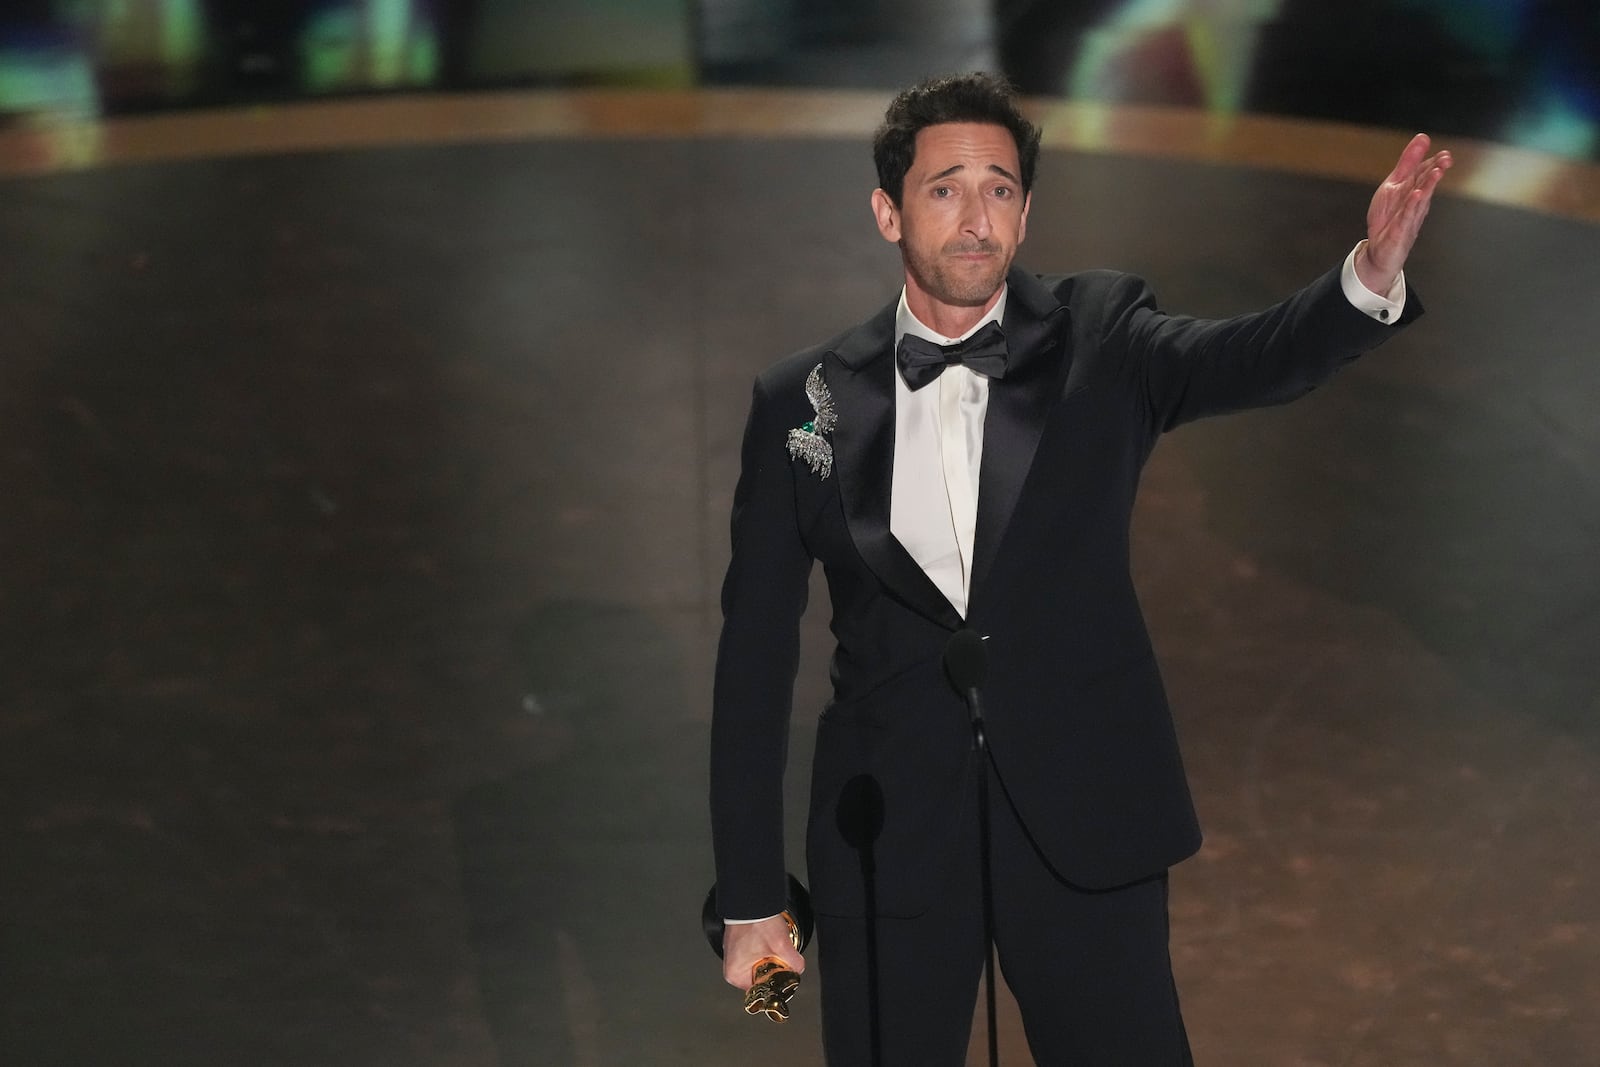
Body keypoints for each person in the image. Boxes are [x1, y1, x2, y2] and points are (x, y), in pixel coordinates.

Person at [709, 71, 1450, 1065]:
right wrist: (753, 898)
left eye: (1001, 189)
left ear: (1026, 211)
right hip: (888, 838)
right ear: (887, 211)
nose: (977, 218)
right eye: (945, 189)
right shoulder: (797, 400)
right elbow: (752, 660)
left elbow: (1251, 355)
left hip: (1086, 824)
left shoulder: (1099, 336)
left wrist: (1363, 277)